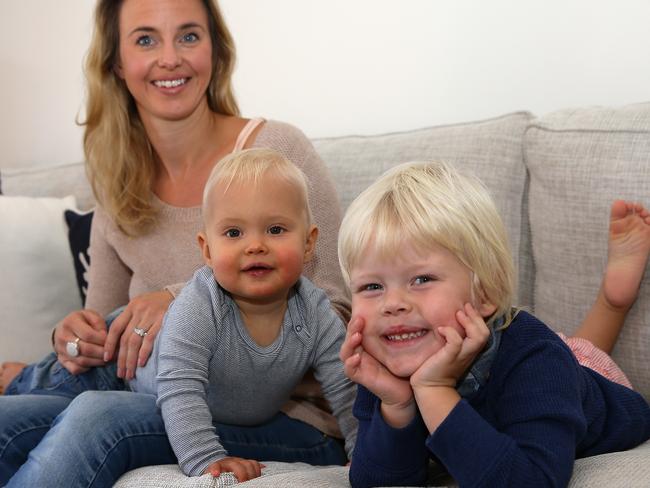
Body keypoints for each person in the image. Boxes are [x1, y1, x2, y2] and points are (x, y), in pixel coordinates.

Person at [0, 0, 350, 484]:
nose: (170, 58)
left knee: (98, 418)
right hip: (155, 394)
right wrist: (76, 337)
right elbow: (107, 334)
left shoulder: (277, 153)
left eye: (188, 36)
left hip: (290, 417)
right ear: (118, 64)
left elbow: (339, 313)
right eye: (146, 39)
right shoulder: (117, 182)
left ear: (215, 51)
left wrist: (182, 296)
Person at [337, 161, 650, 488]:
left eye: (421, 279)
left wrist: (433, 390)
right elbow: (375, 481)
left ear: (485, 293)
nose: (392, 304)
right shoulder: (388, 358)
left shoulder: (539, 360)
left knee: (580, 356)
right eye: (372, 287)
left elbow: (530, 481)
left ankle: (614, 300)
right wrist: (397, 406)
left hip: (581, 378)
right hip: (529, 355)